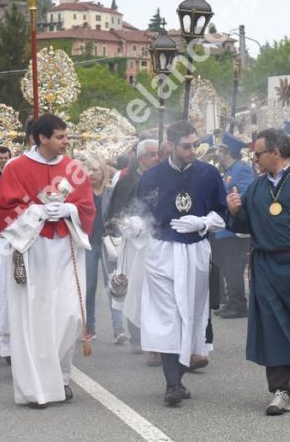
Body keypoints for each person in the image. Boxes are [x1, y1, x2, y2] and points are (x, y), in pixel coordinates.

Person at [0, 113, 95, 408]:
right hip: (32, 250)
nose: (66, 142)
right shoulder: (16, 168)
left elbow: (87, 206)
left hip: (65, 249)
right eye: (60, 137)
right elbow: (2, 211)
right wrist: (36, 213)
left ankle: (61, 376)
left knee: (69, 315)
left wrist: (68, 211)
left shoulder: (73, 168)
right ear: (42, 138)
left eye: (66, 137)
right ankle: (36, 388)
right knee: (34, 318)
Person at [228, 128, 290, 415]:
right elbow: (246, 224)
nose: (254, 158)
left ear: (275, 152)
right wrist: (235, 212)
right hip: (266, 266)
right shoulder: (257, 187)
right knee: (272, 327)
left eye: (258, 153)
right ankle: (280, 390)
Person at [132, 120, 227, 406]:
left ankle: (179, 376)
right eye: (187, 146)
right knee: (168, 315)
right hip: (162, 250)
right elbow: (142, 212)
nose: (193, 150)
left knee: (192, 315)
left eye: (195, 145)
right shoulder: (153, 176)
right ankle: (172, 383)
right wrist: (133, 225)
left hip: (195, 250)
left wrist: (203, 221)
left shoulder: (209, 174)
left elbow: (222, 214)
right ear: (171, 146)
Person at [105, 138, 159, 354]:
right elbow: (119, 209)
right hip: (134, 242)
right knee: (134, 288)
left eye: (157, 154)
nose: (156, 159)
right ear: (140, 157)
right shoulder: (128, 179)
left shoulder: (162, 177)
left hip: (155, 240)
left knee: (154, 290)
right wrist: (126, 226)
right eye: (151, 155)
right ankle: (136, 337)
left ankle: (154, 339)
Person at [79, 155, 125, 343]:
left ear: (103, 171)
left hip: (108, 242)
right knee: (88, 287)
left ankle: (118, 328)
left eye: (95, 169)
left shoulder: (111, 191)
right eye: (88, 170)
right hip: (88, 242)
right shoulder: (81, 193)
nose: (91, 174)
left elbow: (119, 214)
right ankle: (89, 328)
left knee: (113, 285)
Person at [211, 134, 255, 319]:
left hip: (235, 230)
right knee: (228, 268)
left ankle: (238, 304)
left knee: (234, 267)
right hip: (224, 229)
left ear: (228, 151)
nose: (218, 153)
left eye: (220, 150)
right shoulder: (228, 171)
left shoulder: (242, 170)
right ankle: (231, 302)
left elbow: (246, 195)